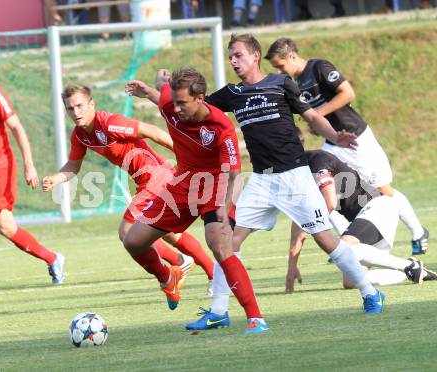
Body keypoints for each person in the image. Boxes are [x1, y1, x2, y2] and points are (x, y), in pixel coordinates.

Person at [184, 33, 384, 332]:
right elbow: (196, 110)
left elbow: (313, 117)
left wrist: (334, 136)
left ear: (254, 55)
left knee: (325, 240)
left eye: (238, 55)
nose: (233, 61)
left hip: (295, 176)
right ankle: (219, 310)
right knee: (228, 241)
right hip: (262, 180)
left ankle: (370, 292)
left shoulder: (281, 84)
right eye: (230, 56)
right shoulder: (232, 93)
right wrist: (159, 92)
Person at [124, 67, 269, 334]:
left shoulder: (221, 126)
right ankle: (168, 277)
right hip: (182, 185)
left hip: (215, 185)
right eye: (175, 102)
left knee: (219, 243)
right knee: (132, 241)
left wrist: (225, 211)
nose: (176, 109)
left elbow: (235, 174)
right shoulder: (171, 105)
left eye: (183, 103)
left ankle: (255, 318)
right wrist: (154, 87)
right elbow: (164, 94)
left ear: (200, 98)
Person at [42, 84, 215, 293]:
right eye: (70, 108)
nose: (76, 112)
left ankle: (168, 277)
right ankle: (208, 271)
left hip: (156, 177)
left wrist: (188, 153)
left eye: (80, 105)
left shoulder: (109, 123)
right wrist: (55, 179)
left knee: (127, 232)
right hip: (146, 180)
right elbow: (73, 166)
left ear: (91, 104)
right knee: (167, 233)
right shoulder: (80, 135)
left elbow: (152, 131)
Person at [265, 37, 429, 256]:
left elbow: (347, 93)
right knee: (320, 190)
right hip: (333, 143)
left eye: (281, 65)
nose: (280, 70)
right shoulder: (294, 83)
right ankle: (346, 245)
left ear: (292, 56)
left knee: (382, 189)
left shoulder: (319, 68)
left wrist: (317, 116)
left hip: (355, 138)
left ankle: (418, 232)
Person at [284, 129, 437, 293]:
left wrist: (311, 226)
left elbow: (330, 202)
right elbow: (298, 221)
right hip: (367, 219)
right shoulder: (295, 175)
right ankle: (409, 270)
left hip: (379, 207)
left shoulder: (318, 159)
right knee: (351, 281)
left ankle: (408, 266)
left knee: (342, 248)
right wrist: (292, 266)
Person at [0, 85, 65, 284]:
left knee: (5, 225)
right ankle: (53, 259)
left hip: (0, 166)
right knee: (7, 227)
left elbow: (16, 126)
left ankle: (53, 259)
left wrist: (29, 165)